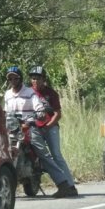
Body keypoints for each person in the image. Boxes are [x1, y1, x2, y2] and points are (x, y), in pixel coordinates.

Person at [3, 66, 76, 198]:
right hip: (13, 128)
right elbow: (6, 111)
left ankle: (63, 184)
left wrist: (40, 114)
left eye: (15, 77)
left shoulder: (30, 92)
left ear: (20, 79)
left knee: (44, 154)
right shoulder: (8, 94)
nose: (13, 80)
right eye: (10, 78)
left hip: (30, 126)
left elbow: (39, 107)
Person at [28, 65, 77, 197]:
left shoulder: (51, 94)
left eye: (38, 78)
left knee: (56, 154)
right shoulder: (28, 93)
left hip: (50, 127)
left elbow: (57, 114)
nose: (35, 81)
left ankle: (70, 185)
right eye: (33, 78)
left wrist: (48, 126)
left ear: (44, 79)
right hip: (33, 127)